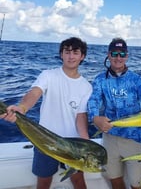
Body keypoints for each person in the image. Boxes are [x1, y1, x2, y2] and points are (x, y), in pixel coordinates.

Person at [0, 37, 92, 189]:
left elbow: (80, 117)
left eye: (75, 52)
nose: (71, 56)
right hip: (44, 140)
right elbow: (35, 93)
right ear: (61, 54)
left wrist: (86, 141)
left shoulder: (86, 86)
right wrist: (22, 108)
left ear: (82, 56)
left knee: (79, 181)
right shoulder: (48, 75)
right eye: (67, 52)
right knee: (43, 182)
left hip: (73, 145)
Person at [88, 37, 141, 189]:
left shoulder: (136, 79)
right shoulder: (100, 79)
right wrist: (94, 118)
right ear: (108, 55)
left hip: (133, 138)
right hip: (109, 137)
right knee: (115, 180)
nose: (118, 58)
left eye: (122, 54)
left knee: (137, 184)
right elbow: (93, 101)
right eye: (114, 53)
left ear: (127, 56)